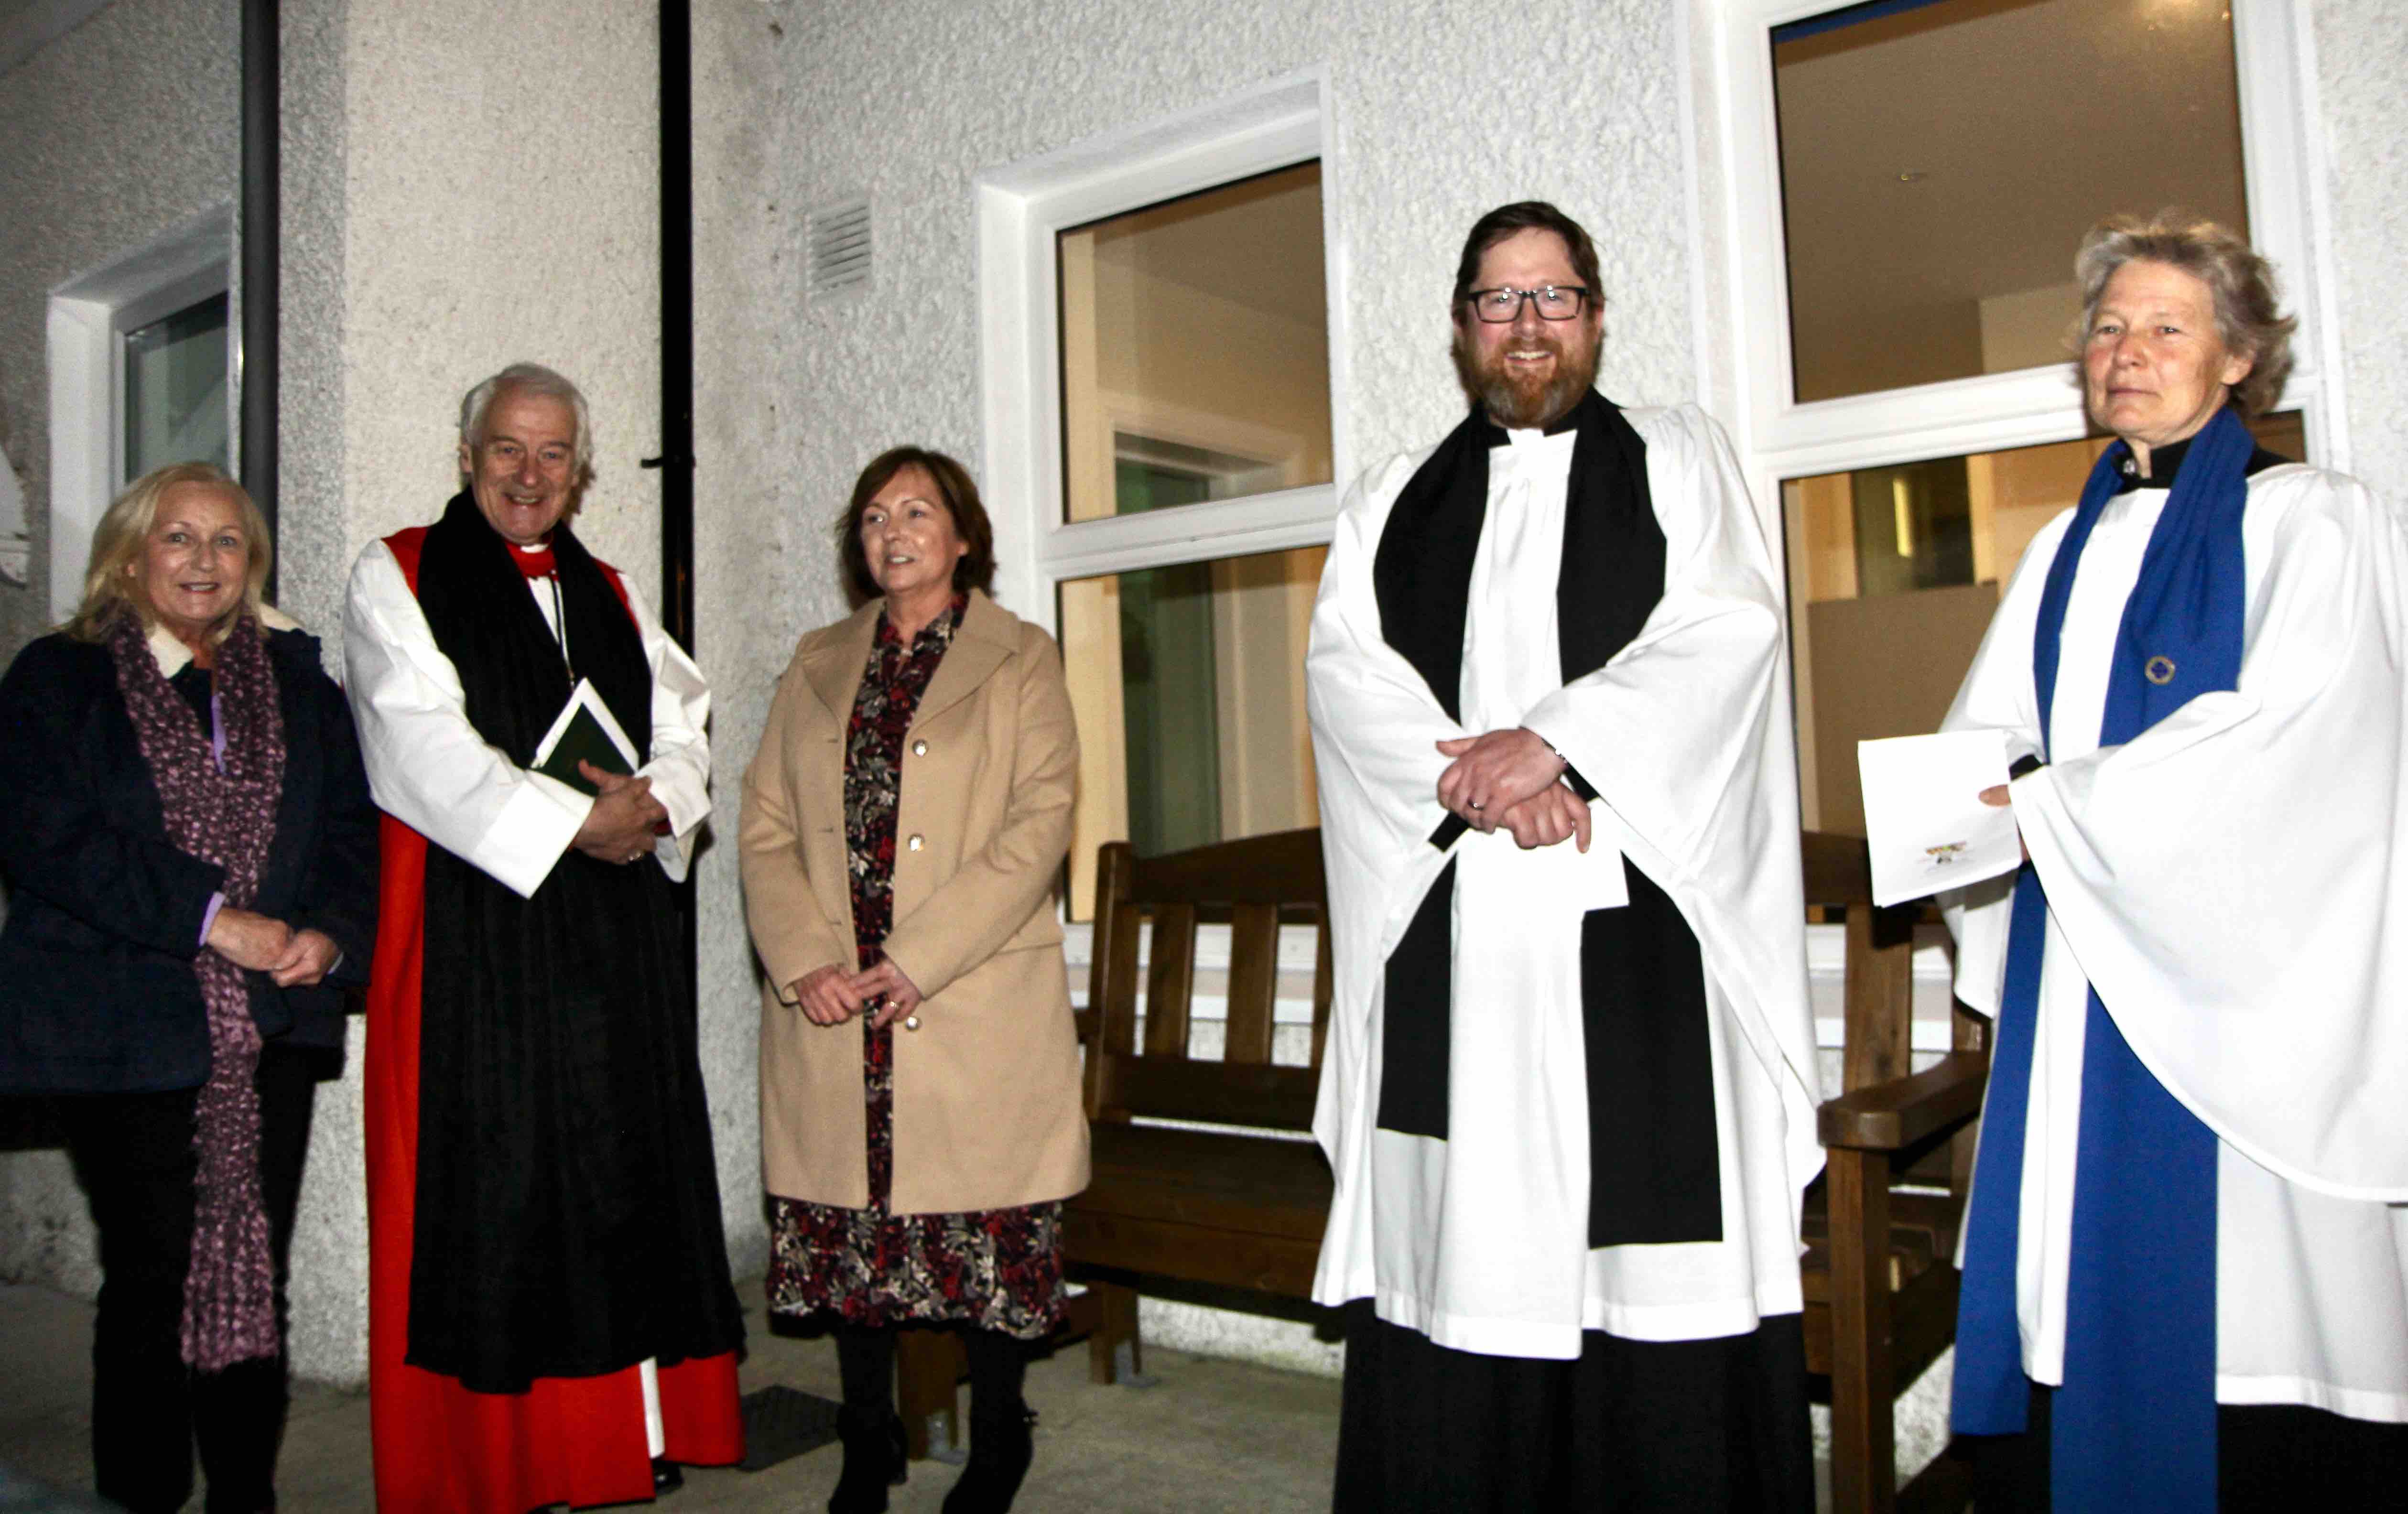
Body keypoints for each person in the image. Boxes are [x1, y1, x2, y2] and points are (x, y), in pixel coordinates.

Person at [1304, 201, 1823, 1509]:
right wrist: (1474, 778)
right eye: (1499, 299)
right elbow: (1344, 678)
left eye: (1552, 297)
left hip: (1628, 905)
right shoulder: (1388, 498)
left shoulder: (1674, 455)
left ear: (1592, 315)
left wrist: (1558, 744)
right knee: (1467, 1229)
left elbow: (1724, 633)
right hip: (1457, 911)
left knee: (1639, 1243)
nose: (1526, 325)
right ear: (1461, 325)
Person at [1942, 214, 2408, 1508]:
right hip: (2080, 974)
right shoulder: (2058, 546)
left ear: (2239, 359)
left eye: (2162, 328)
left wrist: (2056, 804)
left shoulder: (2314, 519)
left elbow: (2303, 741)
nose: (2123, 352)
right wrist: (1949, 814)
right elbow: (1989, 742)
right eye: (2104, 328)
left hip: (2235, 989)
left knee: (2252, 1303)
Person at [343, 362, 744, 1511]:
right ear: (467, 456)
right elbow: (415, 744)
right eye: (509, 450)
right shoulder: (401, 571)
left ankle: (623, 1440)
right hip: (481, 932)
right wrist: (577, 821)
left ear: (580, 473)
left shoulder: (613, 588)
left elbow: (683, 720)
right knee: (502, 1189)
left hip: (611, 941)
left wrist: (659, 803)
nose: (529, 473)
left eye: (553, 454)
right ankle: (504, 1464)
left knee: (622, 1176)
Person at [0, 462, 377, 1513]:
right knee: (156, 1273)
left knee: (255, 1267)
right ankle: (145, 1495)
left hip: (271, 1027)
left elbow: (353, 830)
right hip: (120, 1024)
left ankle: (246, 1495)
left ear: (249, 564)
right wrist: (216, 921)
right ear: (128, 556)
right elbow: (49, 840)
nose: (202, 560)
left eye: (225, 542)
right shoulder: (56, 679)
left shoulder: (298, 685)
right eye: (177, 538)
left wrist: (328, 934)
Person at [740, 446, 1085, 1514]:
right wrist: (807, 961)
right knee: (856, 1240)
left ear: (963, 536)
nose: (894, 532)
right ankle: (864, 1439)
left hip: (967, 994)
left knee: (980, 1244)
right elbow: (764, 830)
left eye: (918, 512)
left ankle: (996, 1443)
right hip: (840, 1003)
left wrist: (917, 961)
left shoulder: (1021, 657)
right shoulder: (813, 664)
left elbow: (1041, 827)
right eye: (875, 517)